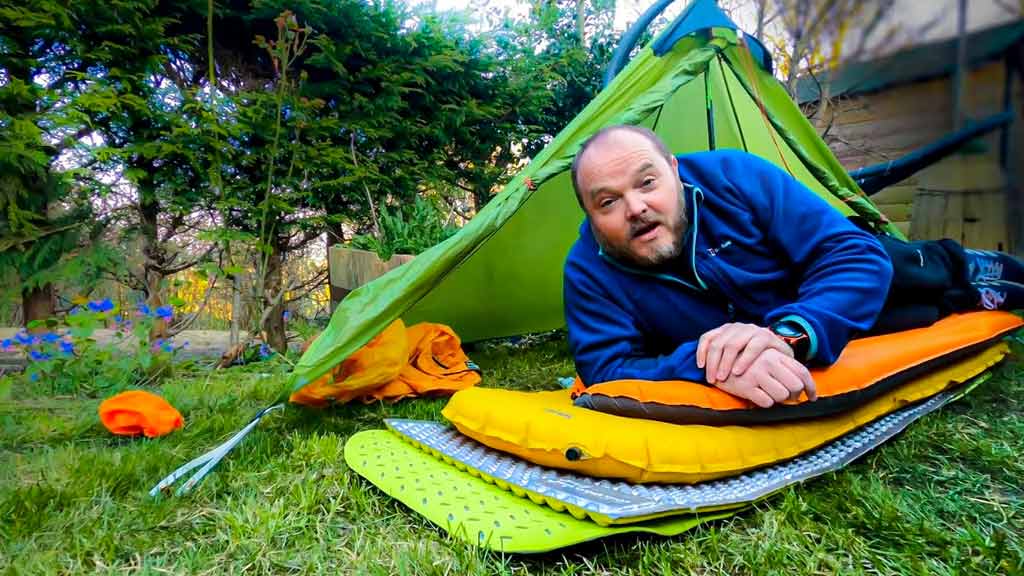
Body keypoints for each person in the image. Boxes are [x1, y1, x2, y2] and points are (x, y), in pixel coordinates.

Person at [563, 125, 1024, 409]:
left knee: (900, 267)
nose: (637, 207)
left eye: (647, 182)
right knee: (917, 315)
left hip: (824, 284)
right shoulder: (586, 272)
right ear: (589, 214)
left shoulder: (734, 176)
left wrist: (785, 338)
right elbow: (607, 367)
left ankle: (969, 267)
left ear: (674, 170)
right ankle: (961, 294)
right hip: (814, 324)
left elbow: (850, 255)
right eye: (608, 201)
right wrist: (711, 362)